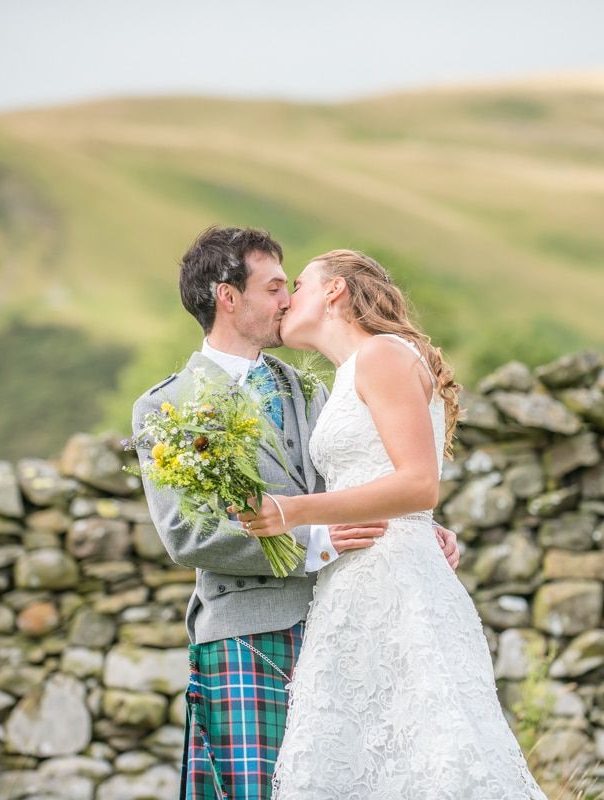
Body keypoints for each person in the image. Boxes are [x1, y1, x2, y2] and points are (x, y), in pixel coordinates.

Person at [131, 227, 460, 800]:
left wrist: (418, 526)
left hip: (342, 618)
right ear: (227, 296)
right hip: (247, 629)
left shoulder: (309, 390)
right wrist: (316, 543)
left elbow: (359, 479)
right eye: (275, 286)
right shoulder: (167, 405)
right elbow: (187, 535)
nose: (287, 300)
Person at [237, 249, 549, 799]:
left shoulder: (382, 353)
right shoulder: (350, 373)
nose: (286, 299)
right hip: (357, 583)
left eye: (300, 284)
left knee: (428, 753)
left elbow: (418, 485)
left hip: (395, 583)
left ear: (334, 291)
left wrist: (290, 511)